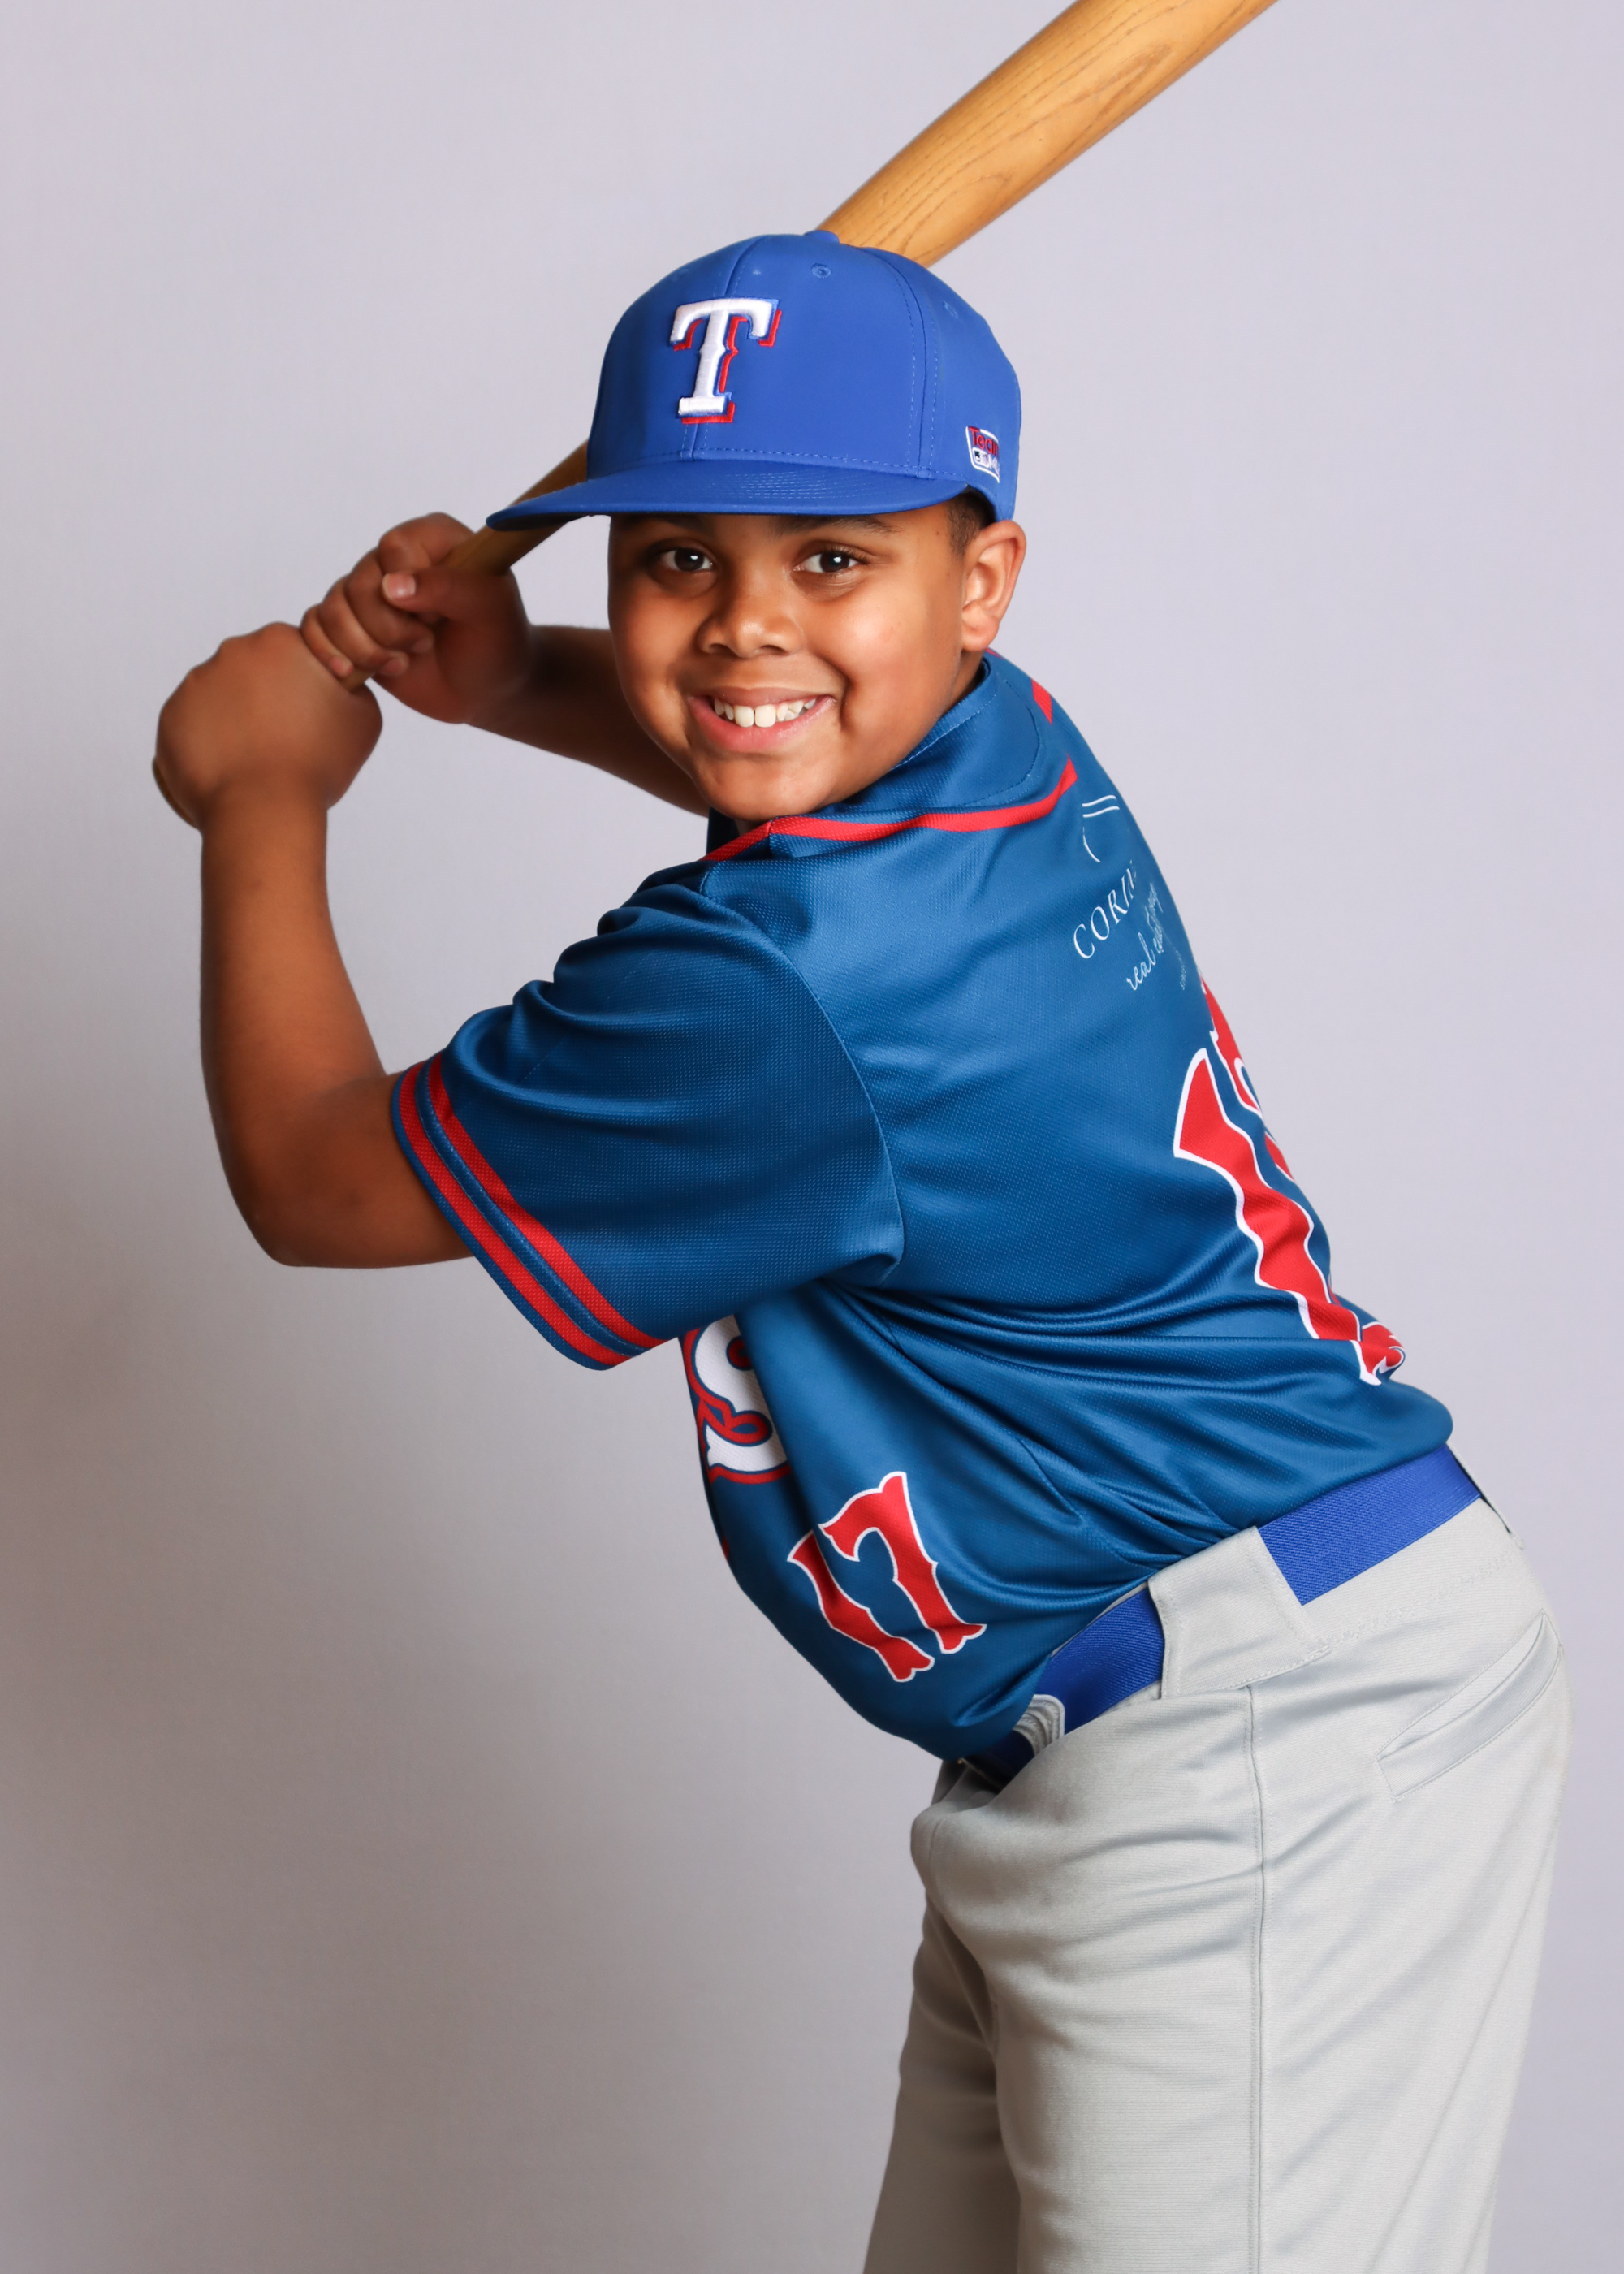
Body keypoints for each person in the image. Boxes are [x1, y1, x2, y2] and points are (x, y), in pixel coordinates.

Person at [154, 232, 1571, 2272]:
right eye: (677, 557)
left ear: (978, 581)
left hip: (1264, 1742)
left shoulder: (761, 991)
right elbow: (791, 737)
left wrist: (262, 793)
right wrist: (517, 678)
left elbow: (314, 1177)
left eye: (831, 556)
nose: (746, 623)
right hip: (1172, 1702)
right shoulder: (1006, 741)